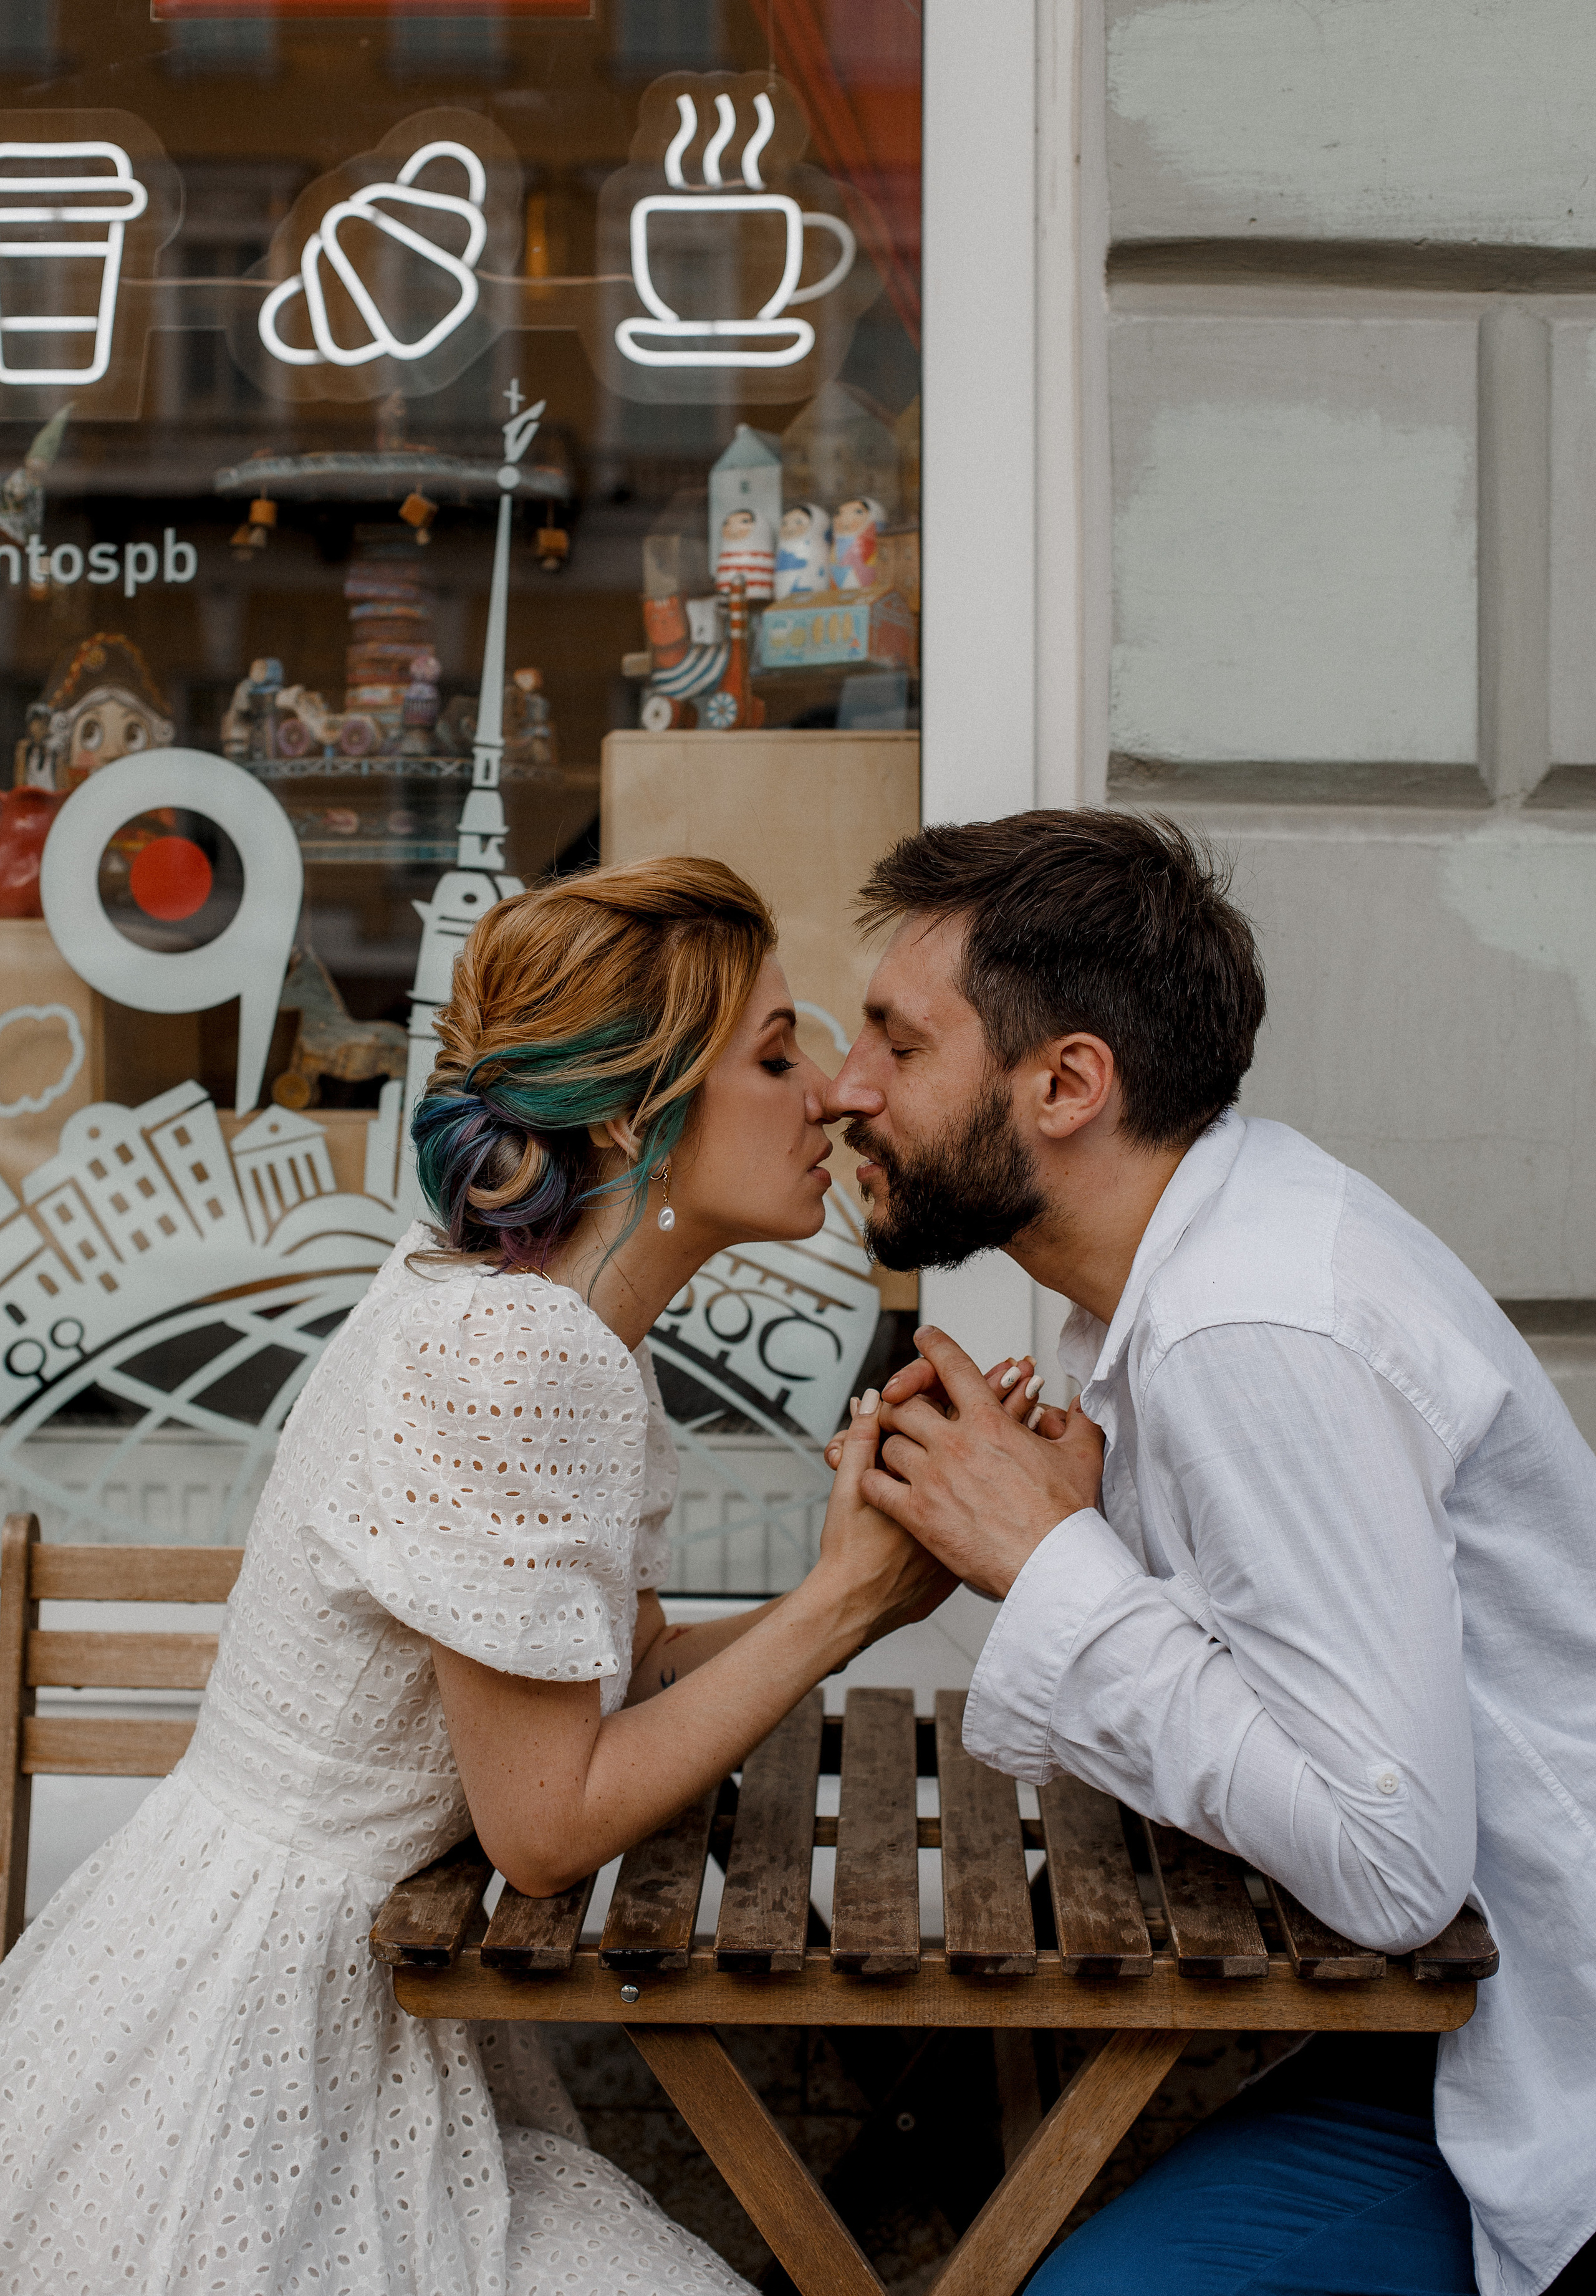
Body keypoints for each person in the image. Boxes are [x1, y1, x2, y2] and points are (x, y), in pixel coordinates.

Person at [0, 855, 949, 2296]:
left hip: (279, 1959)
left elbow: (617, 1677)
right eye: (775, 1055)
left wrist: (859, 1578)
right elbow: (545, 1828)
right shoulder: (522, 1354)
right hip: (265, 2035)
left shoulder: (528, 1317)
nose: (828, 1094)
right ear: (629, 1113)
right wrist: (840, 1608)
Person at [820, 810, 1596, 2296]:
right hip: (1450, 2026)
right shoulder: (1185, 1267)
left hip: (1545, 2065)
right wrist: (1096, 1538)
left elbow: (1386, 1864)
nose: (848, 1087)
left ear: (1066, 1085)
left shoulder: (1247, 1327)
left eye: (898, 1045)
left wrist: (1054, 1563)